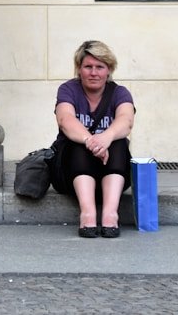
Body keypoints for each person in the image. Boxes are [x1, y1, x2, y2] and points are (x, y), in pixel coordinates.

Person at [51, 39, 134, 238]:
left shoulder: (119, 93)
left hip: (111, 172)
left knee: (119, 142)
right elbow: (65, 120)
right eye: (88, 67)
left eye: (100, 67)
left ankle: (110, 214)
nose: (94, 72)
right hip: (71, 175)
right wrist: (90, 141)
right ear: (79, 69)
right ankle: (87, 214)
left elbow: (126, 121)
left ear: (109, 70)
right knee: (77, 143)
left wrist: (106, 137)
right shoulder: (68, 90)